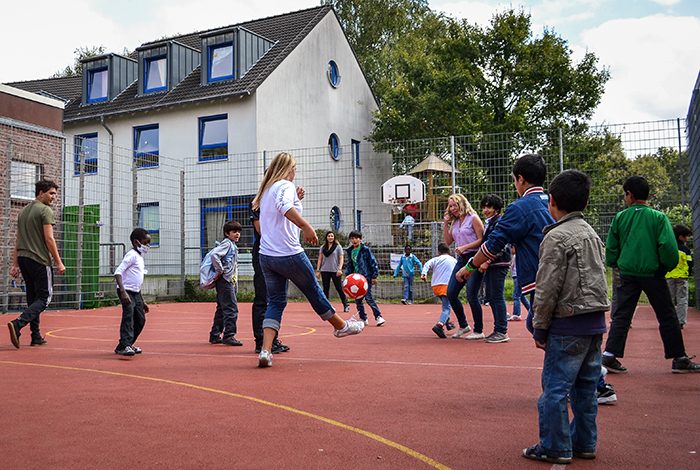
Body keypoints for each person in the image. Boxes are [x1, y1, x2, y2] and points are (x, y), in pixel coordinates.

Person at [522, 170, 609, 464]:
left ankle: (555, 446)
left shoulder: (556, 237)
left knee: (555, 389)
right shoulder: (592, 234)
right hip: (594, 322)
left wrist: (539, 326)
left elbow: (547, 287)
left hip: (567, 323)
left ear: (552, 201)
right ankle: (584, 442)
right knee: (585, 388)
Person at [251, 152, 364, 368]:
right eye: (294, 168)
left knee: (275, 302)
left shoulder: (266, 190)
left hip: (267, 256)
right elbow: (284, 208)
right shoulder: (285, 185)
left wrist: (296, 199)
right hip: (288, 253)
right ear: (288, 169)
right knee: (314, 290)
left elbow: (278, 211)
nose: (295, 172)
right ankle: (341, 326)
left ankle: (265, 350)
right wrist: (306, 226)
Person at [602, 176, 700, 374]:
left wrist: (614, 262)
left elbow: (612, 246)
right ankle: (678, 357)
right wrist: (665, 266)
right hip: (653, 273)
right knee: (666, 315)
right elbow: (668, 247)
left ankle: (610, 355)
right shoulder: (658, 217)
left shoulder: (620, 217)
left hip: (628, 272)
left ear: (629, 194)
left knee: (622, 315)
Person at [455, 154, 554, 337]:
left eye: (514, 180)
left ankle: (501, 330)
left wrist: (470, 266)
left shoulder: (520, 207)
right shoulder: (553, 202)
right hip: (562, 274)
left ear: (521, 179)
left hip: (540, 278)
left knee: (544, 330)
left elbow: (494, 244)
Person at [7, 179, 65, 349]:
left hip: (24, 260)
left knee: (33, 298)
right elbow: (49, 238)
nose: (54, 197)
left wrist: (15, 264)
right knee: (45, 298)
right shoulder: (45, 210)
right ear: (41, 193)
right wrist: (59, 262)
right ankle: (18, 323)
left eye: (55, 193)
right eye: (51, 193)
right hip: (39, 260)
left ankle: (36, 336)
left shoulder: (23, 212)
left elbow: (18, 239)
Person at [463, 194, 511, 343]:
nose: (485, 210)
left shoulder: (499, 222)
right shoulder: (491, 223)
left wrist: (487, 261)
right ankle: (499, 329)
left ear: (496, 208)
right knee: (492, 296)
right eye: (484, 207)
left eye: (489, 207)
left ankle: (501, 330)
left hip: (498, 263)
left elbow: (500, 245)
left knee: (496, 296)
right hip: (494, 264)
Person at [250, 202, 290, 355]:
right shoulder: (257, 203)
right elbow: (261, 230)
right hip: (264, 253)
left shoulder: (280, 201)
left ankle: (272, 339)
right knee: (262, 298)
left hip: (280, 252)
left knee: (277, 299)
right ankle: (261, 341)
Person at [443, 193, 484, 339]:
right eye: (450, 206)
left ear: (462, 203)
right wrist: (446, 223)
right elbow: (448, 242)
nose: (453, 208)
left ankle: (479, 330)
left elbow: (482, 239)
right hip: (461, 259)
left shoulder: (473, 218)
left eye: (454, 205)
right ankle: (463, 325)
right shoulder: (454, 222)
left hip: (475, 258)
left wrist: (465, 246)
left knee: (471, 294)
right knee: (451, 293)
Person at [113, 228, 151, 357]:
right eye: (146, 242)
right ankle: (125, 345)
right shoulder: (131, 255)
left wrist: (142, 300)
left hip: (136, 292)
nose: (148, 246)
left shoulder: (140, 256)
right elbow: (118, 273)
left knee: (140, 319)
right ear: (136, 242)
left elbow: (136, 280)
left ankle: (127, 344)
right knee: (128, 317)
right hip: (127, 291)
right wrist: (123, 293)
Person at [208, 221, 243, 347]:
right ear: (227, 233)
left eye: (239, 232)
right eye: (234, 232)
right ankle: (229, 335)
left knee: (222, 309)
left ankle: (215, 334)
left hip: (228, 280)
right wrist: (220, 269)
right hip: (225, 281)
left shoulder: (232, 245)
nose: (237, 234)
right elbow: (214, 255)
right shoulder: (227, 244)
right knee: (231, 309)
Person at [346, 230, 385, 326]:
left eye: (356, 238)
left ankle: (378, 316)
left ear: (360, 239)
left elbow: (373, 262)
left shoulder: (365, 250)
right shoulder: (350, 250)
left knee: (368, 298)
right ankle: (363, 318)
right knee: (358, 300)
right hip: (355, 279)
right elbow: (349, 265)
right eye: (352, 238)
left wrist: (374, 276)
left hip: (365, 278)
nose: (354, 240)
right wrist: (348, 276)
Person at [421, 243, 457, 338]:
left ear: (439, 252)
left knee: (446, 305)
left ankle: (448, 322)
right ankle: (439, 325)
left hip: (436, 286)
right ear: (449, 251)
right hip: (446, 285)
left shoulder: (435, 259)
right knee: (447, 307)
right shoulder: (453, 260)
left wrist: (424, 274)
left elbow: (426, 265)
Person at [666, 224, 693, 329]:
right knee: (682, 299)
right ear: (680, 236)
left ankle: (669, 320)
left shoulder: (669, 247)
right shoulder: (685, 249)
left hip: (669, 276)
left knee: (669, 299)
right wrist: (688, 273)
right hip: (682, 277)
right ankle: (680, 321)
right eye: (686, 236)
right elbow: (690, 263)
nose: (687, 238)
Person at [316, 231, 350, 313]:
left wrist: (339, 269)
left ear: (334, 237)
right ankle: (326, 306)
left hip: (335, 270)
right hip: (325, 270)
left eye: (332, 236)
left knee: (339, 288)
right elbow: (320, 259)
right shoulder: (323, 247)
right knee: (325, 288)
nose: (330, 237)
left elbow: (341, 258)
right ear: (326, 237)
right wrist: (318, 270)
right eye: (329, 236)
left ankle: (346, 305)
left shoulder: (338, 247)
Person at [508, 247, 530, 321]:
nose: (511, 250)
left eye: (512, 248)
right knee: (522, 296)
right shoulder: (524, 255)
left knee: (516, 295)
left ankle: (516, 314)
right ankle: (531, 312)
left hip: (517, 276)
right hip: (520, 276)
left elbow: (511, 266)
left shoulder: (516, 256)